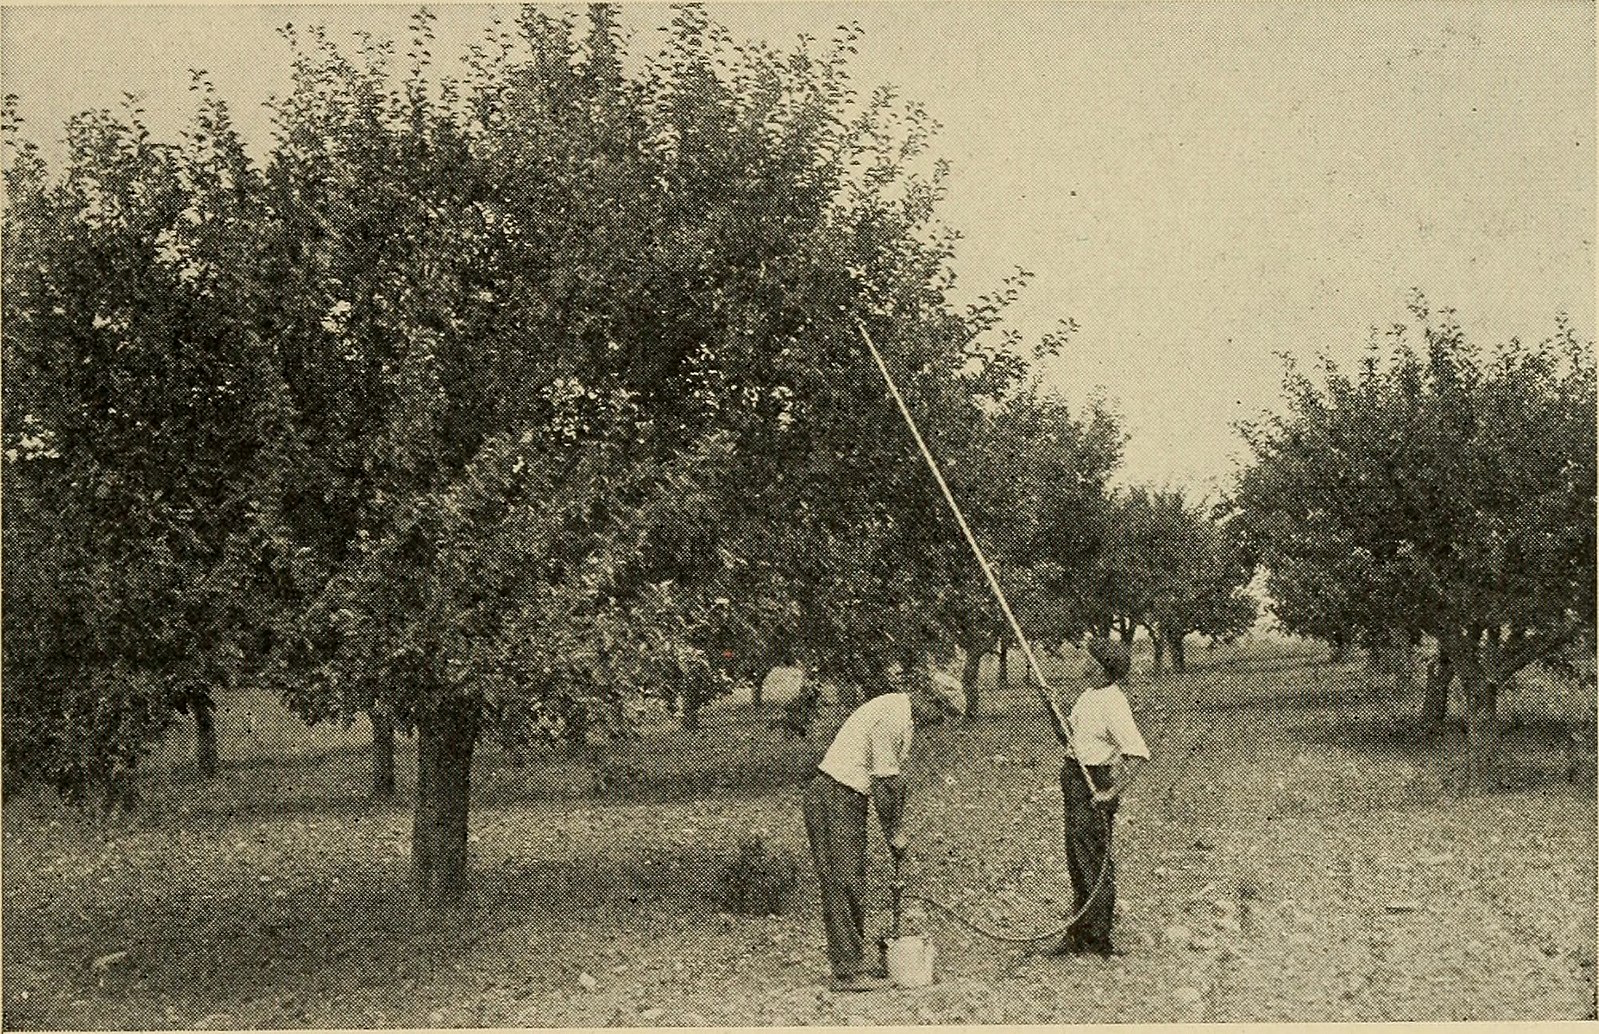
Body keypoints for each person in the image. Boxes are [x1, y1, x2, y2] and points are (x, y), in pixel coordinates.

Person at [802, 661, 959, 991]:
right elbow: (885, 783)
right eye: (941, 712)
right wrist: (894, 834)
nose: (940, 722)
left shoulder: (904, 715)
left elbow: (896, 783)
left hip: (848, 797)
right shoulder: (892, 715)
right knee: (841, 880)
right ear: (926, 697)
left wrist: (895, 828)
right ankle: (846, 972)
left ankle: (852, 962)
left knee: (853, 880)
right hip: (832, 794)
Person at [1052, 637, 1149, 958]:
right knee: (1076, 859)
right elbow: (1069, 739)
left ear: (1099, 666)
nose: (1082, 660)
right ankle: (1078, 933)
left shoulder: (1113, 703)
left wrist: (1111, 792)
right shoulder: (1088, 696)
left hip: (1094, 782)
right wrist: (1052, 709)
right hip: (1074, 779)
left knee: (1093, 860)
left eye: (1087, 657)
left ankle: (1097, 938)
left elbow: (1136, 753)